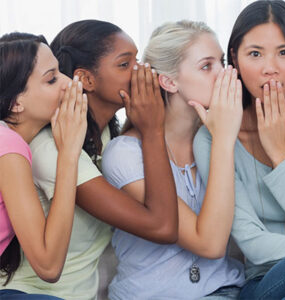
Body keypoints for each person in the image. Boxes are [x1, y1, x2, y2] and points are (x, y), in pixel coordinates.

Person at [1, 20, 178, 300]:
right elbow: (162, 227)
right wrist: (153, 130)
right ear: (86, 79)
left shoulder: (105, 134)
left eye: (139, 60)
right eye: (124, 64)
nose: (141, 72)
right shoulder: (46, 150)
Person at [102, 20, 245, 299]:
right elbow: (210, 244)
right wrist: (225, 141)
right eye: (207, 66)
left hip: (227, 290)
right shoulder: (125, 154)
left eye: (223, 61)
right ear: (169, 82)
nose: (225, 73)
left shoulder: (217, 137)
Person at [193, 1, 285, 299]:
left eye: (284, 52)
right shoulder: (214, 136)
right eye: (255, 54)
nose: (270, 69)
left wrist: (281, 152)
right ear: (234, 60)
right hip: (264, 280)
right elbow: (252, 242)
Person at [0, 33, 87, 299]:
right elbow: (49, 266)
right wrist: (69, 153)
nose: (68, 83)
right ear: (16, 104)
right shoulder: (8, 146)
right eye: (51, 79)